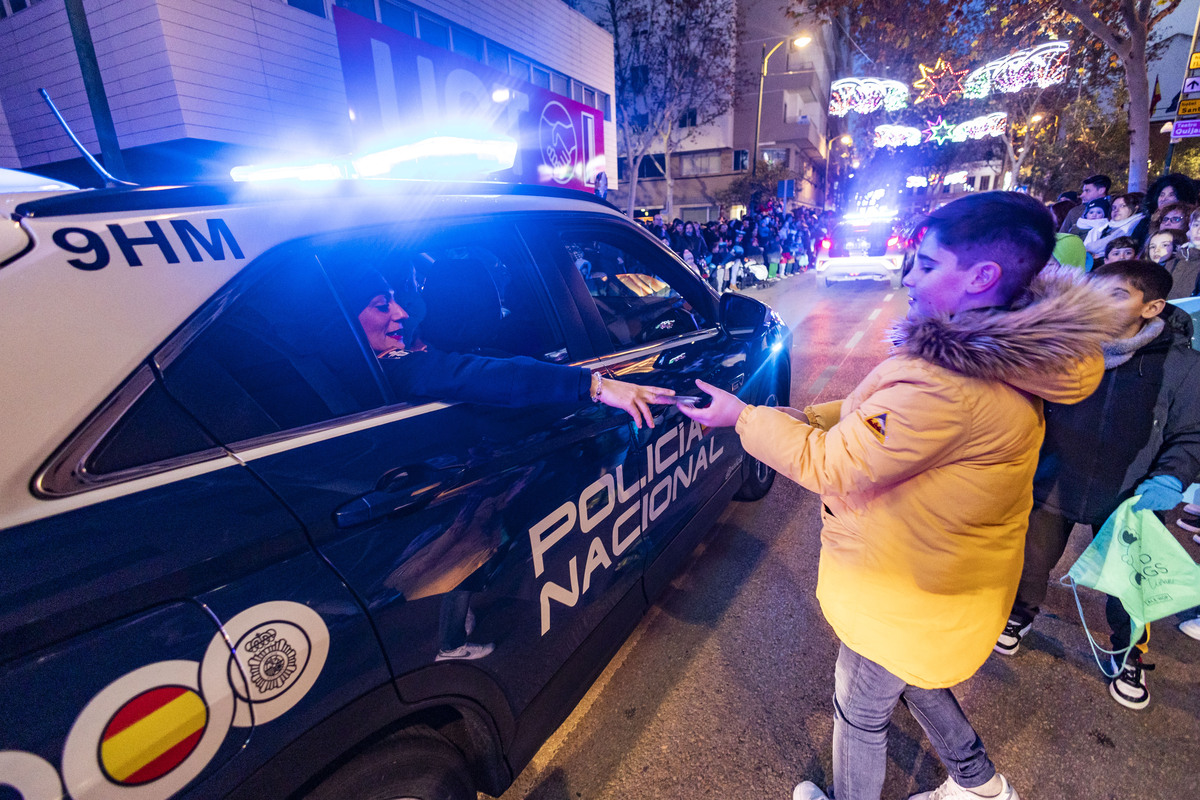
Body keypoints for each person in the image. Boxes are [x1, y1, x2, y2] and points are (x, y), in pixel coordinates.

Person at [678, 192, 1115, 800]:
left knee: (859, 708)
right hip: (941, 581)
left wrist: (743, 417)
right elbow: (876, 419)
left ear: (983, 276)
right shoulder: (998, 355)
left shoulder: (948, 383)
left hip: (910, 589)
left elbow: (830, 463)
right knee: (911, 677)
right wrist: (800, 413)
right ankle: (980, 785)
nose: (909, 274)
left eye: (928, 265)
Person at [996, 260, 1200, 709]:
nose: (1100, 304)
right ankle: (1018, 615)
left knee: (1130, 582)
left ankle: (1128, 653)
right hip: (1053, 482)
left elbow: (1191, 433)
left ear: (1152, 307)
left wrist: (1170, 477)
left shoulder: (1181, 365)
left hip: (1132, 495)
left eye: (1117, 295)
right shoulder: (1070, 347)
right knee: (1030, 560)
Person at [1084, 192, 1145, 259]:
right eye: (1114, 208)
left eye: (1122, 206)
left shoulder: (1133, 226)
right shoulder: (1104, 226)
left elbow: (1104, 245)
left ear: (1136, 208)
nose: (1116, 210)